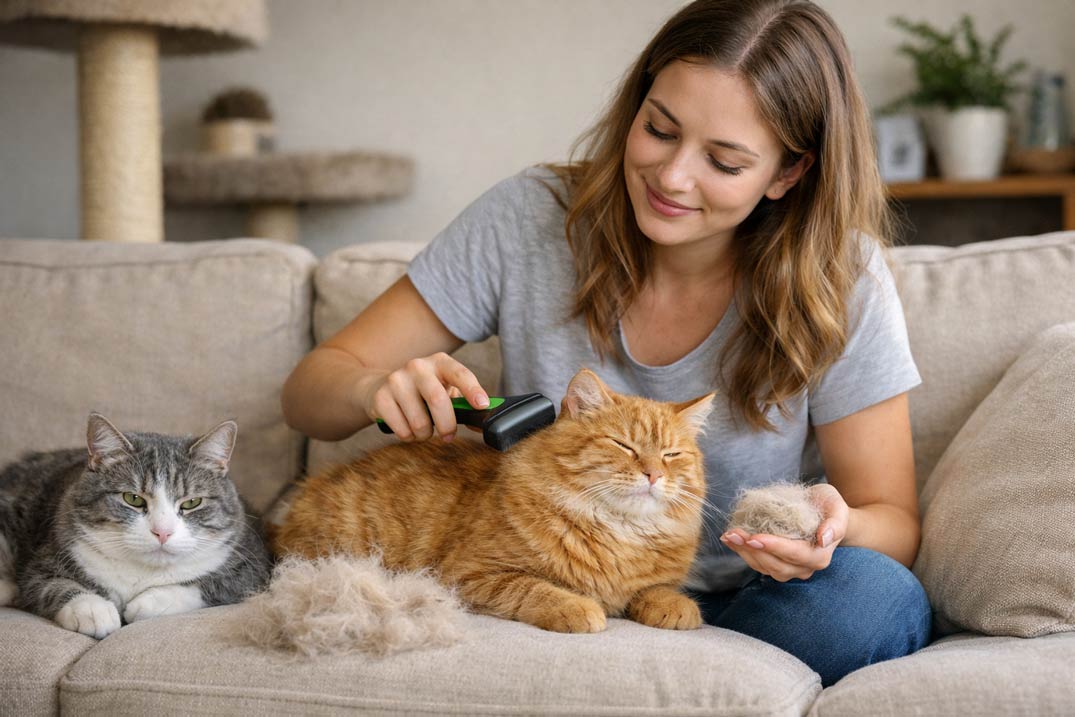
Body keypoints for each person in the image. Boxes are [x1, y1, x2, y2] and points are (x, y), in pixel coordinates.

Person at [282, 0, 931, 686]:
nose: (672, 177)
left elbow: (894, 523)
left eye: (723, 160)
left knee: (868, 603)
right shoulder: (528, 217)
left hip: (748, 596)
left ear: (786, 173)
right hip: (547, 572)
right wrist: (369, 387)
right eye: (658, 129)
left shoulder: (842, 276)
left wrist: (834, 528)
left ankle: (693, 664)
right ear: (635, 107)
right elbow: (308, 393)